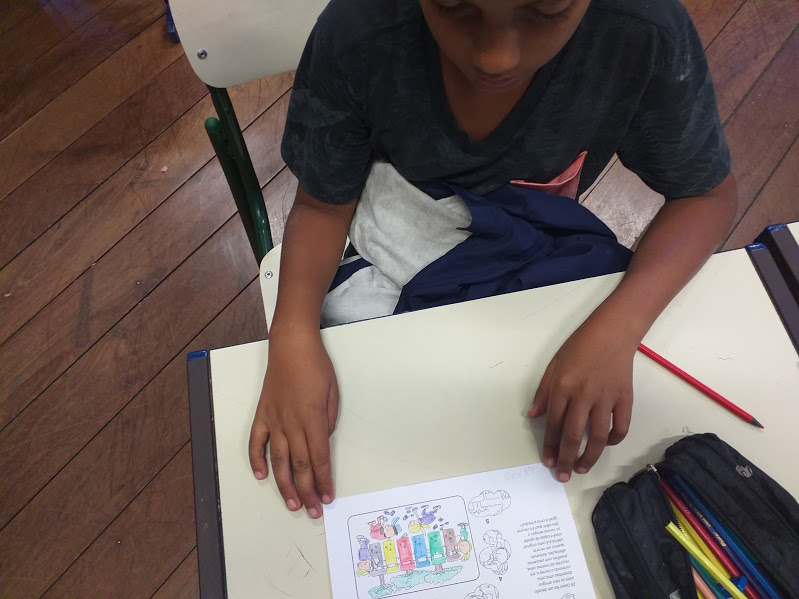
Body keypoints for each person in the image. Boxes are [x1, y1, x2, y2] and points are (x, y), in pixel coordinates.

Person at [248, 0, 738, 520]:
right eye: (454, 6)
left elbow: (705, 197)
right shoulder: (358, 31)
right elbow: (322, 206)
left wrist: (619, 328)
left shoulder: (643, 30)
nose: (495, 58)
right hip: (394, 264)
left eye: (547, 12)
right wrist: (293, 330)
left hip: (535, 278)